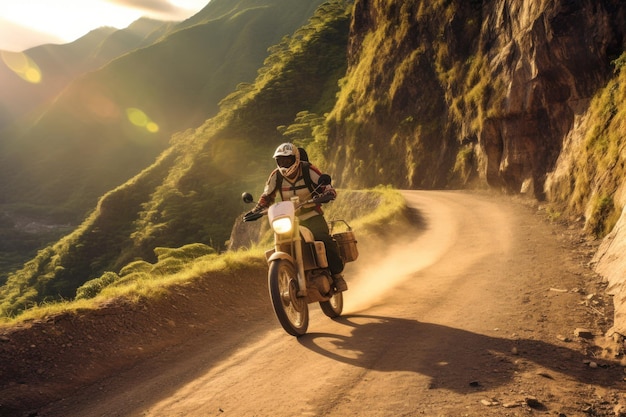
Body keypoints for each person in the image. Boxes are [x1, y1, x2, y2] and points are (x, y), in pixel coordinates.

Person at [247, 142, 347, 292]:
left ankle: (337, 276)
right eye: (280, 161)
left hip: (312, 216)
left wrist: (327, 193)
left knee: (324, 240)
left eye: (287, 160)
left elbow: (327, 187)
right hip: (290, 219)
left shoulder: (308, 170)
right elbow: (267, 195)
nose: (284, 164)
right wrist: (257, 209)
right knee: (283, 244)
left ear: (296, 158)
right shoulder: (276, 176)